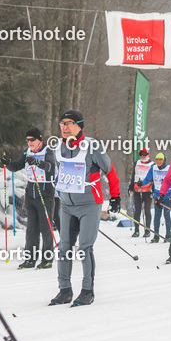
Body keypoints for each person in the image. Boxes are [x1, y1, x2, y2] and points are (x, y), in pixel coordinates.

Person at [49, 110, 121, 306]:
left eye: (69, 123)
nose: (64, 127)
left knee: (84, 247)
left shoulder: (92, 146)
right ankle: (64, 290)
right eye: (62, 123)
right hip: (67, 206)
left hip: (90, 204)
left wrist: (115, 196)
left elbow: (110, 170)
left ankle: (87, 291)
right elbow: (57, 173)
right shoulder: (57, 147)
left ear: (80, 125)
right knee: (64, 247)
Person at [2, 126, 57, 269]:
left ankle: (47, 259)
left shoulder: (47, 150)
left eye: (32, 140)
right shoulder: (27, 152)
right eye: (27, 140)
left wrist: (37, 162)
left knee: (46, 228)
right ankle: (30, 259)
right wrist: (7, 163)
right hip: (31, 192)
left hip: (45, 192)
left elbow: (51, 166)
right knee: (31, 229)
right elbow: (15, 167)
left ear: (39, 139)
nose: (30, 142)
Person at [140, 152, 171, 242]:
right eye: (157, 159)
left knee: (167, 215)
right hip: (157, 196)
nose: (158, 161)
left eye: (160, 159)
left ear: (164, 160)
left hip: (167, 196)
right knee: (157, 216)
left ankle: (168, 235)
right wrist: (141, 183)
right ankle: (156, 236)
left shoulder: (169, 168)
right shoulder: (153, 168)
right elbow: (147, 179)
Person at [128, 148, 154, 237]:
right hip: (137, 190)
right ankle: (136, 230)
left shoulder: (152, 164)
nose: (142, 156)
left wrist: (154, 191)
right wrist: (130, 188)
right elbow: (133, 176)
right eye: (141, 154)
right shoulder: (137, 163)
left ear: (148, 155)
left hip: (147, 191)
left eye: (144, 154)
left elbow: (153, 179)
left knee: (147, 211)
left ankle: (147, 230)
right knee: (137, 211)